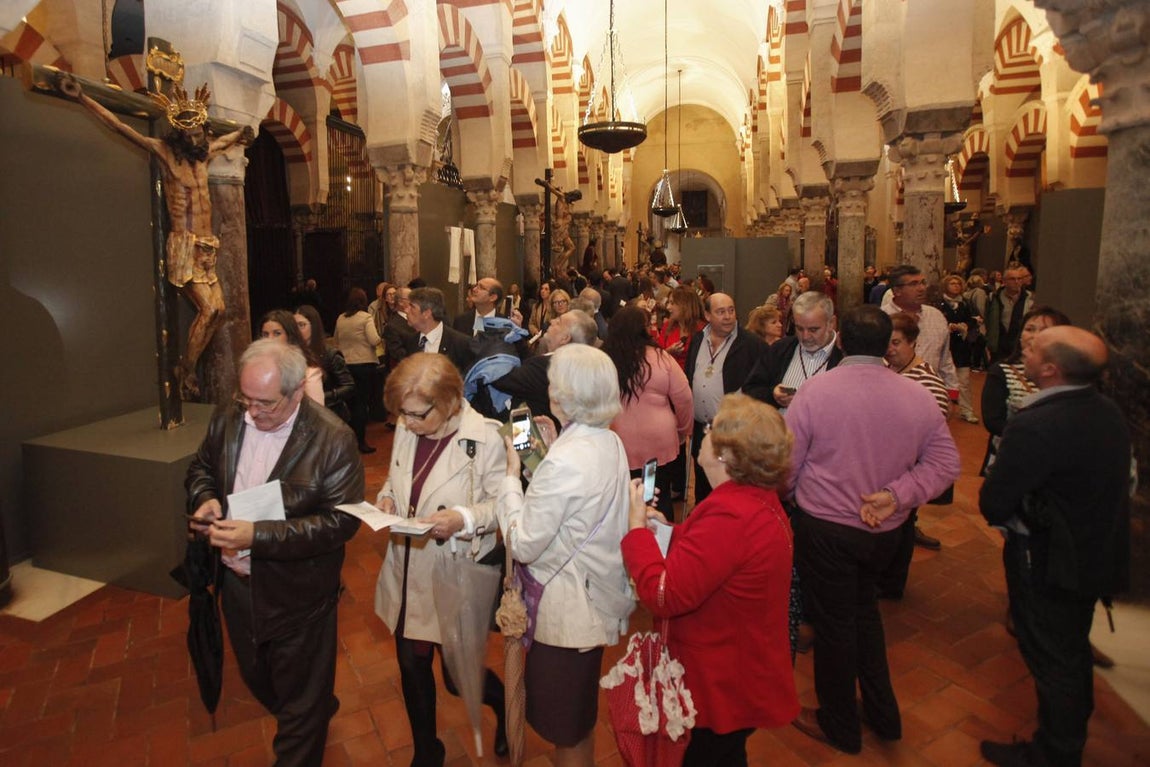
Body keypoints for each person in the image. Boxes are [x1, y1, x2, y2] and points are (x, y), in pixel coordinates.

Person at [785, 306, 959, 755]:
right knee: (864, 614)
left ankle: (839, 723)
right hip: (885, 532)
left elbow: (787, 465)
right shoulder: (916, 396)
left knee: (834, 626)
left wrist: (792, 494)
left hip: (826, 528)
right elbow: (945, 464)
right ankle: (884, 714)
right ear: (887, 346)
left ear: (840, 340)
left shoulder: (815, 393)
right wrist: (899, 494)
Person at [186, 339, 363, 766]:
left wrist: (257, 537)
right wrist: (204, 497)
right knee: (259, 678)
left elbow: (342, 522)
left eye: (265, 403)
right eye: (246, 399)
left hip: (298, 594)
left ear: (298, 391)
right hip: (237, 585)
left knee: (299, 712)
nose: (252, 412)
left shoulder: (333, 438)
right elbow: (202, 467)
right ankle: (315, 704)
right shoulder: (232, 416)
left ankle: (310, 714)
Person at [978, 326, 1131, 767]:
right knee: (1070, 648)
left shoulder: (1038, 423)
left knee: (1052, 657)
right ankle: (1067, 735)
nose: (1025, 349)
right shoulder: (1106, 411)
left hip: (1048, 560)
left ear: (1050, 369)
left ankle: (1055, 753)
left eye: (1035, 348)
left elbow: (995, 500)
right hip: (1090, 554)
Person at [621, 393, 799, 766]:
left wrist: (637, 531)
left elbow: (663, 594)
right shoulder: (750, 500)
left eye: (712, 428)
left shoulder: (731, 515)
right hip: (738, 669)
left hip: (718, 683)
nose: (704, 431)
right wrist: (664, 531)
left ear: (725, 455)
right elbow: (708, 559)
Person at [62, 74, 251, 399]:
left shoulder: (204, 155)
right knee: (208, 311)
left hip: (208, 247)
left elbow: (228, 139)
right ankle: (186, 371)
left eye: (199, 134)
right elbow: (121, 128)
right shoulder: (164, 153)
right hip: (185, 246)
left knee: (219, 313)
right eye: (190, 135)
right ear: (180, 134)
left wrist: (242, 132)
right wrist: (82, 98)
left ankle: (187, 365)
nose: (197, 139)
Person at [498, 344, 635, 767]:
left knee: (567, 731)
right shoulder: (609, 440)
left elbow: (522, 542)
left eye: (554, 384)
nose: (549, 390)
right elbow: (577, 504)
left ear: (567, 394)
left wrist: (509, 479)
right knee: (577, 720)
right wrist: (554, 445)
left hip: (567, 614)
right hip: (594, 600)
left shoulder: (565, 463)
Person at [372, 354, 508, 766]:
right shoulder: (406, 422)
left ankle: (505, 710)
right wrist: (388, 495)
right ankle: (426, 751)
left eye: (416, 414)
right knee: (413, 670)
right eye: (402, 414)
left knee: (456, 679)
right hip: (409, 566)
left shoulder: (488, 438)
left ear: (449, 401)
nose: (408, 422)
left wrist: (462, 518)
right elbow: (401, 476)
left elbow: (504, 506)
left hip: (456, 571)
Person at [877, 313, 951, 597]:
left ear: (913, 343)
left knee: (902, 525)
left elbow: (932, 430)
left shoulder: (927, 380)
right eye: (886, 343)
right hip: (883, 463)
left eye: (896, 343)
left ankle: (892, 583)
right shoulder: (886, 369)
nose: (890, 349)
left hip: (907, 466)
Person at [604, 306, 693, 520]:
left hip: (617, 439)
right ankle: (660, 545)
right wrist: (683, 430)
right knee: (657, 495)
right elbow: (684, 398)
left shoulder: (605, 360)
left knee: (620, 498)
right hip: (658, 441)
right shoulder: (661, 358)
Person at [685, 293, 766, 504]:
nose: (728, 316)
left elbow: (762, 384)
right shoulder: (698, 340)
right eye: (721, 312)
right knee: (703, 486)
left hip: (732, 432)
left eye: (731, 310)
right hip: (701, 428)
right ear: (707, 315)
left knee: (729, 489)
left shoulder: (751, 344)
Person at [981, 306, 1071, 474]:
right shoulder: (1001, 370)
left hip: (1054, 462)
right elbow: (993, 421)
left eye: (1045, 330)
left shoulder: (1068, 375)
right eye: (1029, 329)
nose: (1034, 336)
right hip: (1010, 457)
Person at [492, 309, 599, 428]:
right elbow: (530, 369)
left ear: (565, 339)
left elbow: (499, 379)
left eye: (558, 322)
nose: (552, 321)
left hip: (529, 437)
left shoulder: (547, 367)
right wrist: (518, 337)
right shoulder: (573, 366)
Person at [743, 291, 842, 411]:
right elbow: (751, 389)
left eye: (813, 329)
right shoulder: (780, 350)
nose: (805, 336)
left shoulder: (845, 357)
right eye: (799, 328)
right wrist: (772, 395)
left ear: (831, 323)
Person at [882, 265, 960, 418]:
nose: (921, 288)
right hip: (891, 400)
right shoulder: (880, 318)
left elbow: (945, 358)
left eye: (923, 282)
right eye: (913, 284)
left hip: (932, 396)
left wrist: (952, 396)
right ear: (897, 290)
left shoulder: (936, 316)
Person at [334, 287, 381, 454]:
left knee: (350, 404)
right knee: (362, 404)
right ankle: (361, 442)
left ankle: (349, 441)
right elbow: (374, 340)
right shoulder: (366, 317)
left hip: (346, 365)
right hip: (365, 365)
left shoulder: (340, 318)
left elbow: (336, 340)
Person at [295, 304, 356, 424]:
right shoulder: (292, 354)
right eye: (294, 326)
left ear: (314, 326)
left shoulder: (330, 354)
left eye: (302, 325)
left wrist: (321, 395)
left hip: (330, 416)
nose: (297, 330)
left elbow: (349, 386)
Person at [260, 309, 325, 406]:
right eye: (265, 334)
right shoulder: (258, 368)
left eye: (277, 333)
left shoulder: (308, 373)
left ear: (289, 336)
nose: (270, 339)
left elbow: (318, 414)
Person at [937, 274, 980, 423]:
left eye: (958, 284)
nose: (956, 286)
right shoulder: (939, 304)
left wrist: (966, 325)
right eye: (952, 283)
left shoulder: (966, 303)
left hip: (962, 346)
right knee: (941, 379)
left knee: (964, 380)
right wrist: (947, 326)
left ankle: (966, 410)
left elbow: (975, 319)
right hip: (944, 347)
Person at [407, 287, 475, 373]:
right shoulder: (410, 341)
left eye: (412, 307)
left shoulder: (461, 343)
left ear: (426, 313)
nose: (406, 310)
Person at [985, 266, 1035, 362]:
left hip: (1019, 344)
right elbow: (988, 320)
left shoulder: (1029, 298)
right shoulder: (994, 297)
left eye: (1019, 279)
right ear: (1004, 281)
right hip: (999, 344)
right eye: (1012, 279)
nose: (1016, 282)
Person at [656, 286, 706, 371]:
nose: (668, 307)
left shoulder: (703, 329)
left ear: (685, 305)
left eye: (672, 303)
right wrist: (669, 351)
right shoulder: (668, 326)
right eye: (668, 303)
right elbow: (657, 354)